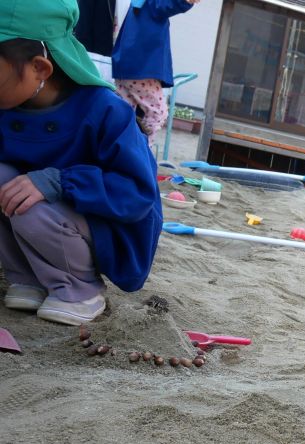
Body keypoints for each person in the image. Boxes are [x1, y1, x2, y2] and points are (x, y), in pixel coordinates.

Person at [0, 0, 162, 325]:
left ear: (40, 68)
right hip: (50, 220)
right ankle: (27, 277)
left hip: (104, 225)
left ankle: (79, 289)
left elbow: (137, 193)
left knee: (30, 209)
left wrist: (59, 182)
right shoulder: (9, 104)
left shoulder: (105, 111)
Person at [112, 0, 199, 149]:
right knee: (158, 112)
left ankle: (119, 151)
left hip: (126, 64)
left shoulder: (138, 3)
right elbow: (162, 6)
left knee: (124, 115)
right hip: (141, 68)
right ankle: (140, 152)